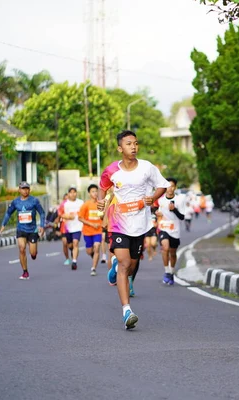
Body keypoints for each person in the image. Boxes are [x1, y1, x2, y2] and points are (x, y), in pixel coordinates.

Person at [98, 130, 170, 330]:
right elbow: (103, 187)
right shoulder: (112, 170)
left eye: (136, 143)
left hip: (140, 224)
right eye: (129, 144)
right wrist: (100, 201)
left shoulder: (147, 167)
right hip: (118, 222)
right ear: (120, 148)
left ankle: (115, 270)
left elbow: (162, 185)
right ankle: (127, 311)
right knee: (124, 263)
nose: (134, 147)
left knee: (131, 267)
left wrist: (153, 198)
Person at [0, 181, 45, 279]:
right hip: (21, 229)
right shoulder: (16, 202)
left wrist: (42, 225)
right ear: (19, 190)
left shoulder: (34, 201)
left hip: (32, 230)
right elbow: (8, 213)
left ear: (29, 190)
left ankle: (34, 253)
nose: (25, 191)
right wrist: (3, 224)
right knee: (21, 249)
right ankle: (25, 271)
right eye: (23, 189)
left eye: (27, 189)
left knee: (33, 253)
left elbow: (42, 213)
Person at [156, 177, 185, 285]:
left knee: (173, 253)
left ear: (175, 188)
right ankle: (167, 271)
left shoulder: (179, 200)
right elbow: (159, 212)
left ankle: (171, 272)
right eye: (167, 186)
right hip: (164, 228)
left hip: (175, 230)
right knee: (165, 248)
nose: (169, 188)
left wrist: (174, 209)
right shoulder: (161, 200)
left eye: (172, 186)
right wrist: (157, 214)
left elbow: (182, 217)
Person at [78, 184, 103, 276]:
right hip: (87, 231)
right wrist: (91, 224)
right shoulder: (86, 205)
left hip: (98, 231)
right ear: (89, 193)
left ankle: (93, 268)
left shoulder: (100, 204)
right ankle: (94, 256)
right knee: (89, 251)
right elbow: (80, 218)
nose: (95, 193)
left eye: (96, 191)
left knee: (97, 247)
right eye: (93, 191)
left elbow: (104, 216)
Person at [60, 186, 84, 270]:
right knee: (70, 245)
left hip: (78, 227)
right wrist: (67, 216)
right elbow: (60, 214)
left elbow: (85, 213)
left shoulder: (81, 202)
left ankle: (74, 261)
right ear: (68, 194)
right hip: (67, 228)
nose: (73, 194)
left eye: (74, 192)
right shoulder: (64, 204)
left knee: (75, 243)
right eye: (71, 192)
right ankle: (72, 251)